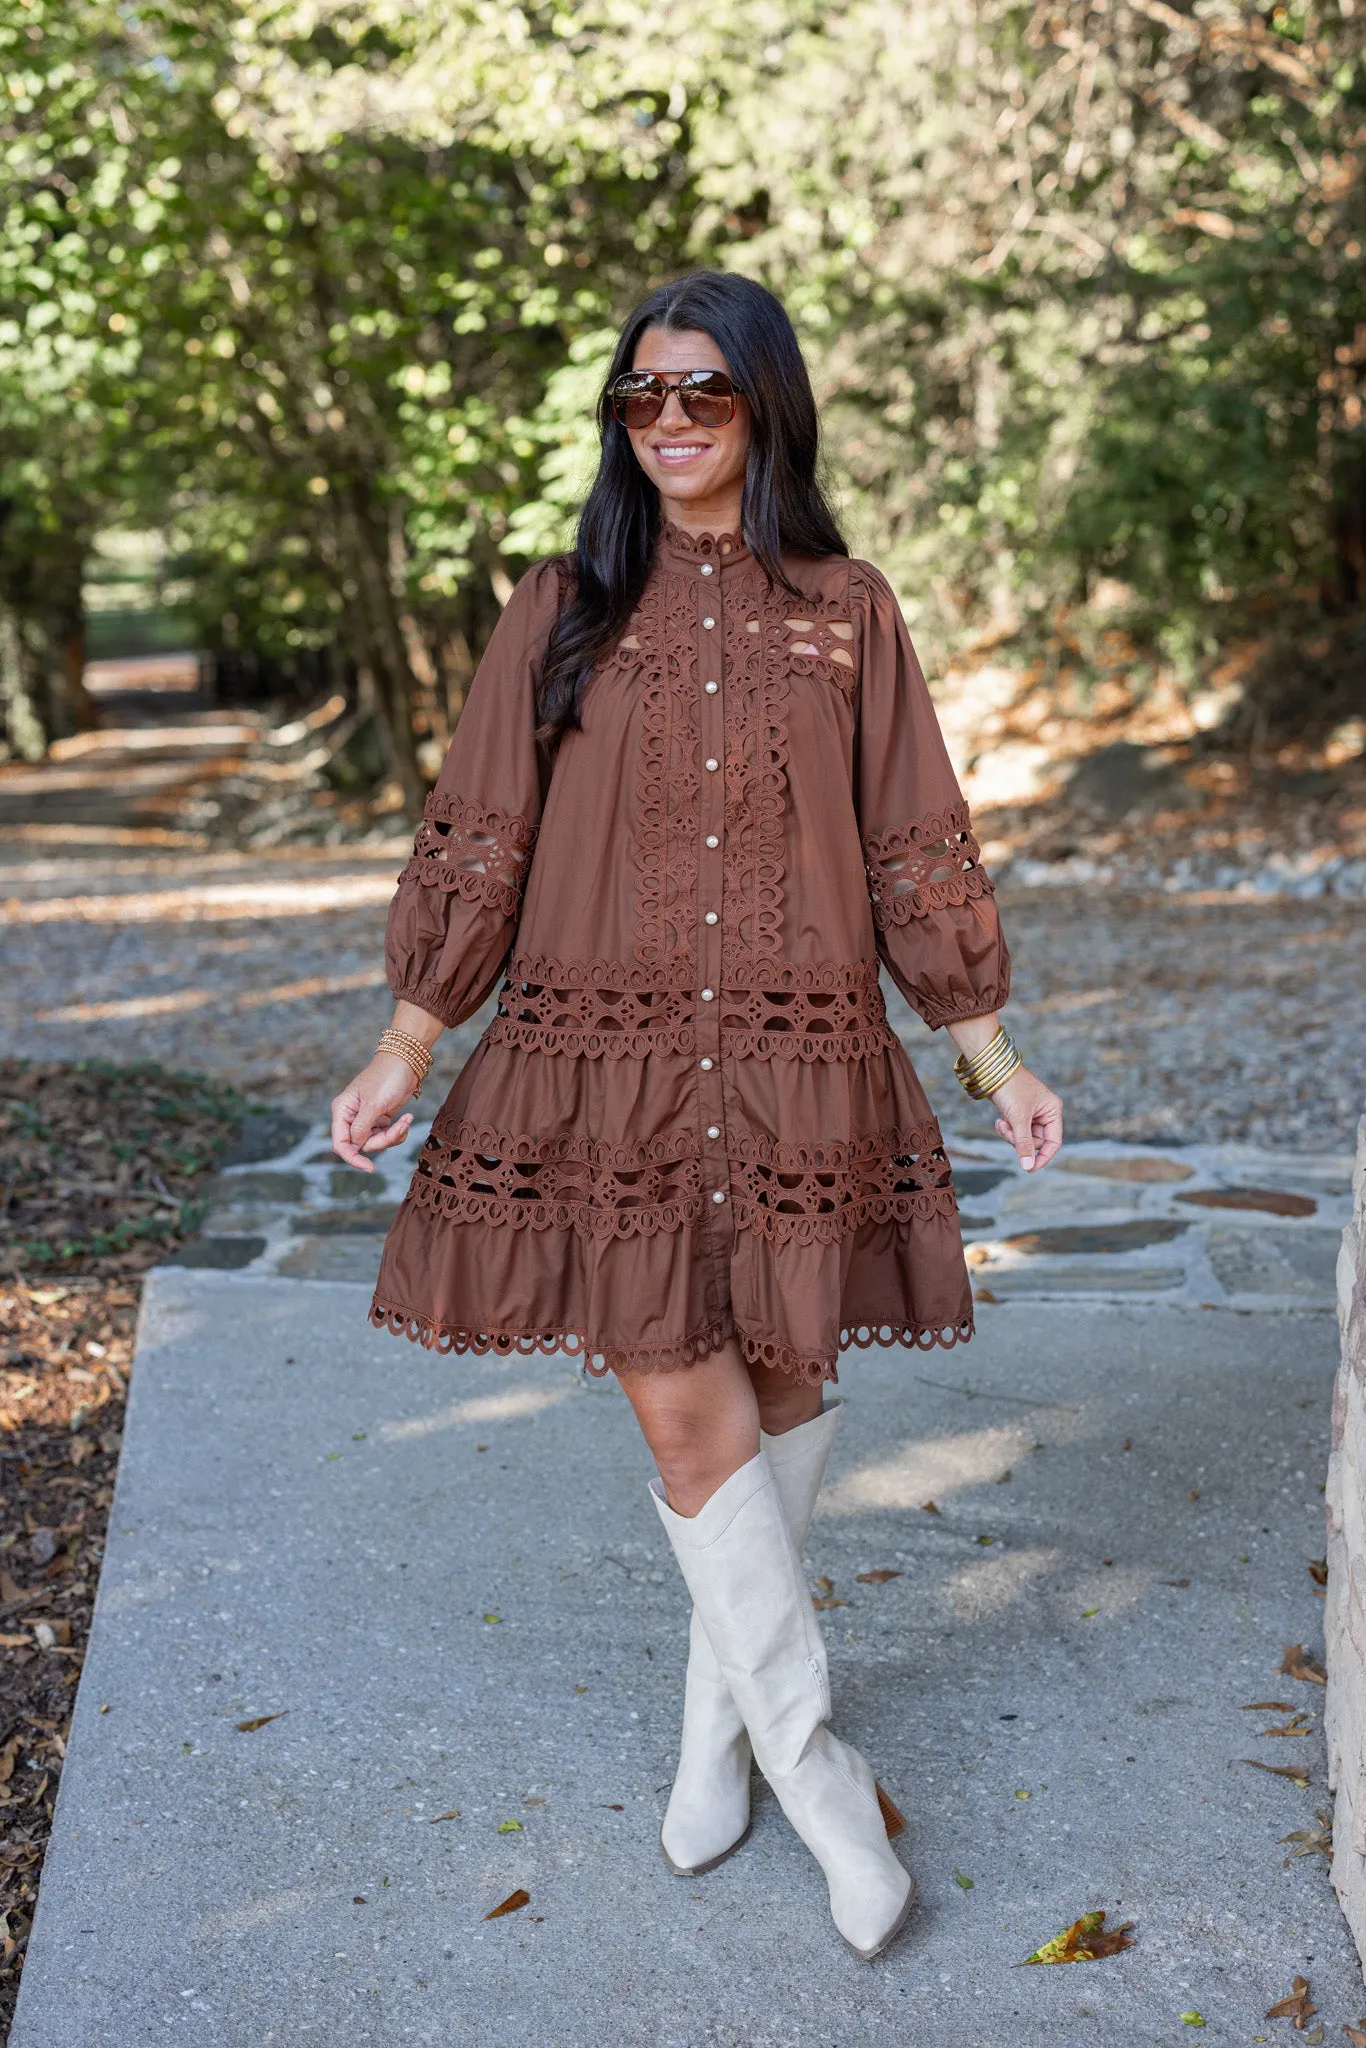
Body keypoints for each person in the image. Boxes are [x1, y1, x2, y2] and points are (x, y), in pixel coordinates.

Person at [330, 269, 1063, 1960]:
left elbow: (910, 838)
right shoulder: (558, 606)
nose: (667, 424)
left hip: (805, 1064)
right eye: (640, 397)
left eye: (703, 396)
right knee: (680, 1413)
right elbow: (482, 832)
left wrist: (987, 1052)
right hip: (609, 1077)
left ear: (765, 410)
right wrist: (406, 1042)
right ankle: (816, 1774)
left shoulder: (846, 608)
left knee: (791, 1377)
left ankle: (711, 1730)